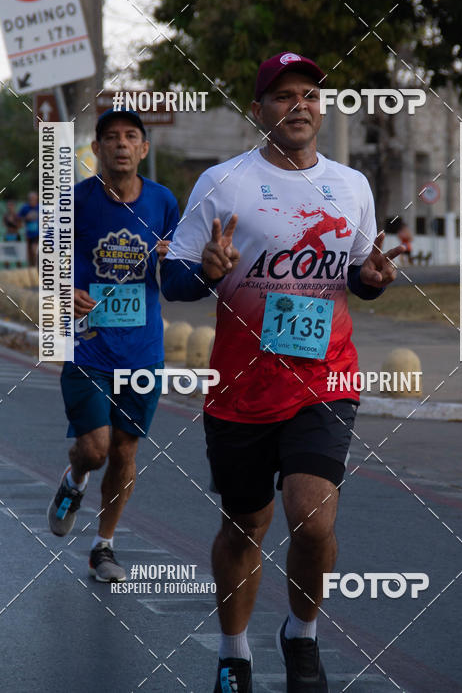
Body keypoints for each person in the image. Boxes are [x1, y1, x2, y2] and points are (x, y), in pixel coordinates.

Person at [161, 52, 404, 692]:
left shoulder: (351, 185)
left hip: (325, 378)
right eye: (284, 95)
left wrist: (372, 280)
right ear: (260, 109)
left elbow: (356, 271)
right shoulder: (222, 182)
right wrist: (207, 271)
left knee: (312, 519)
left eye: (310, 95)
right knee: (246, 525)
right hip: (240, 388)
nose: (300, 105)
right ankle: (234, 651)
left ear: (322, 110)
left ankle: (301, 636)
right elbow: (172, 276)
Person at [47, 109, 179, 583]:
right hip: (88, 346)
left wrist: (178, 258)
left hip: (143, 351)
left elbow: (181, 275)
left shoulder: (164, 202)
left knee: (125, 450)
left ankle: (103, 545)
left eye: (130, 137)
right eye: (110, 138)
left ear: (143, 148)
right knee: (96, 448)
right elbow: (49, 263)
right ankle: (75, 478)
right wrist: (64, 292)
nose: (121, 144)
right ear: (98, 149)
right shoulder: (74, 201)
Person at [18, 191, 40, 267]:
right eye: (30, 199)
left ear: (37, 199)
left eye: (34, 199)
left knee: (34, 250)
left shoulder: (40, 207)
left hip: (37, 234)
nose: (32, 201)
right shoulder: (25, 208)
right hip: (28, 233)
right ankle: (31, 268)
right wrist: (26, 218)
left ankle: (36, 266)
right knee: (29, 253)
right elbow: (18, 218)